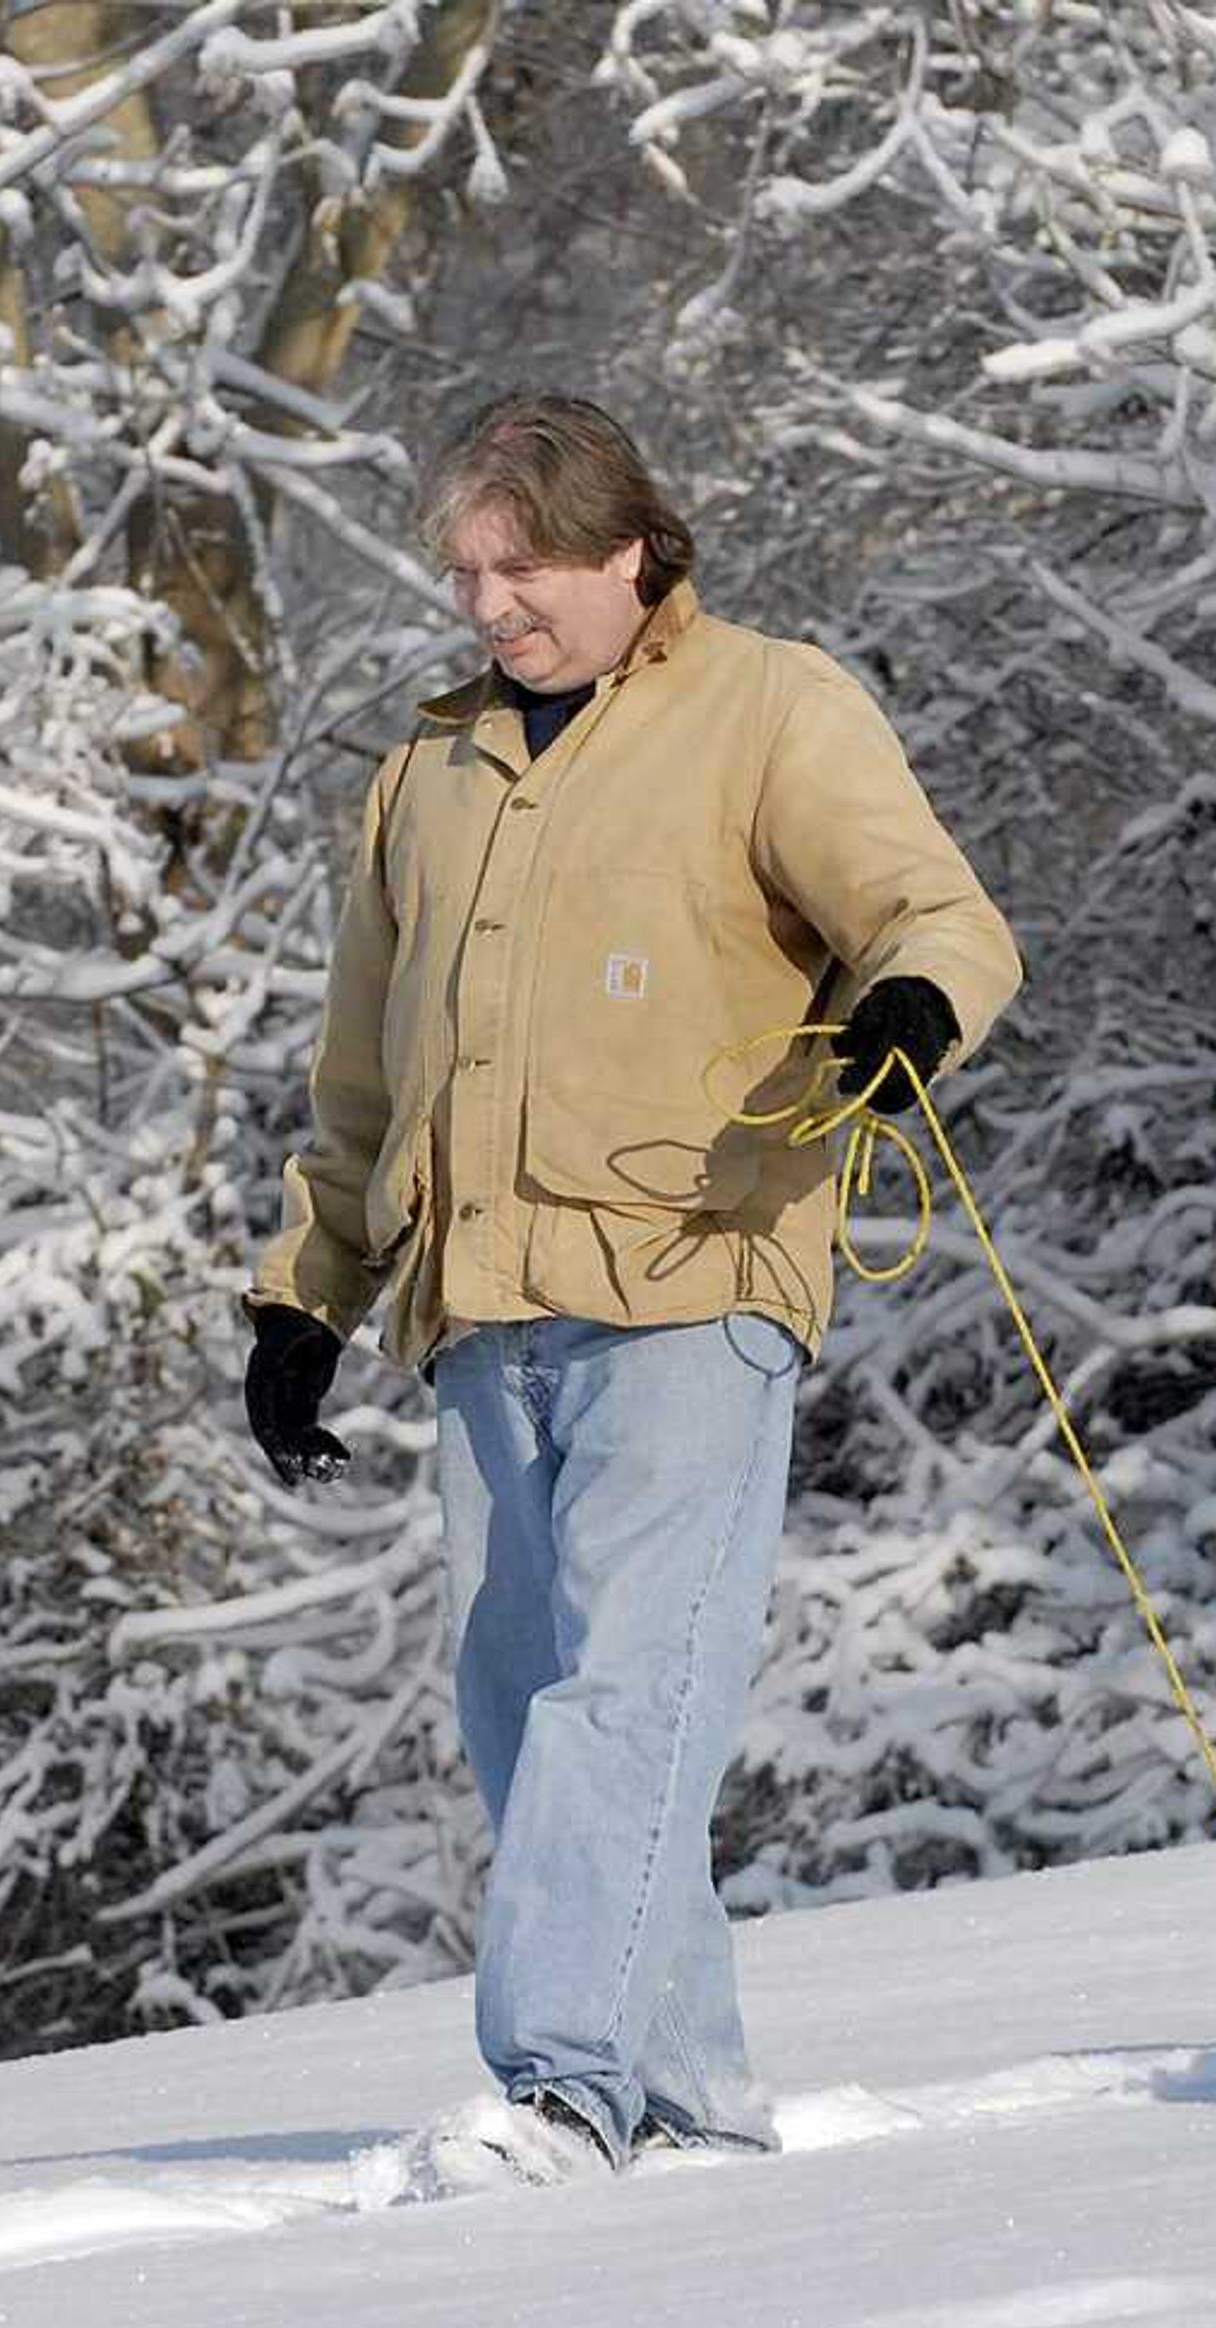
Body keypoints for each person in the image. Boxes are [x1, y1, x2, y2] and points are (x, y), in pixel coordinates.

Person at [240, 392, 1023, 2186]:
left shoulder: (764, 706)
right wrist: (310, 1295)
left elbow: (941, 920)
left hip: (693, 1271)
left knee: (628, 1695)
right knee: (527, 1718)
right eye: (461, 572)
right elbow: (365, 1075)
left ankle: (565, 2091)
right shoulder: (426, 774)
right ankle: (691, 2114)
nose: (487, 606)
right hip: (477, 1304)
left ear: (626, 549)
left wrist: (907, 1011)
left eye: (519, 569)